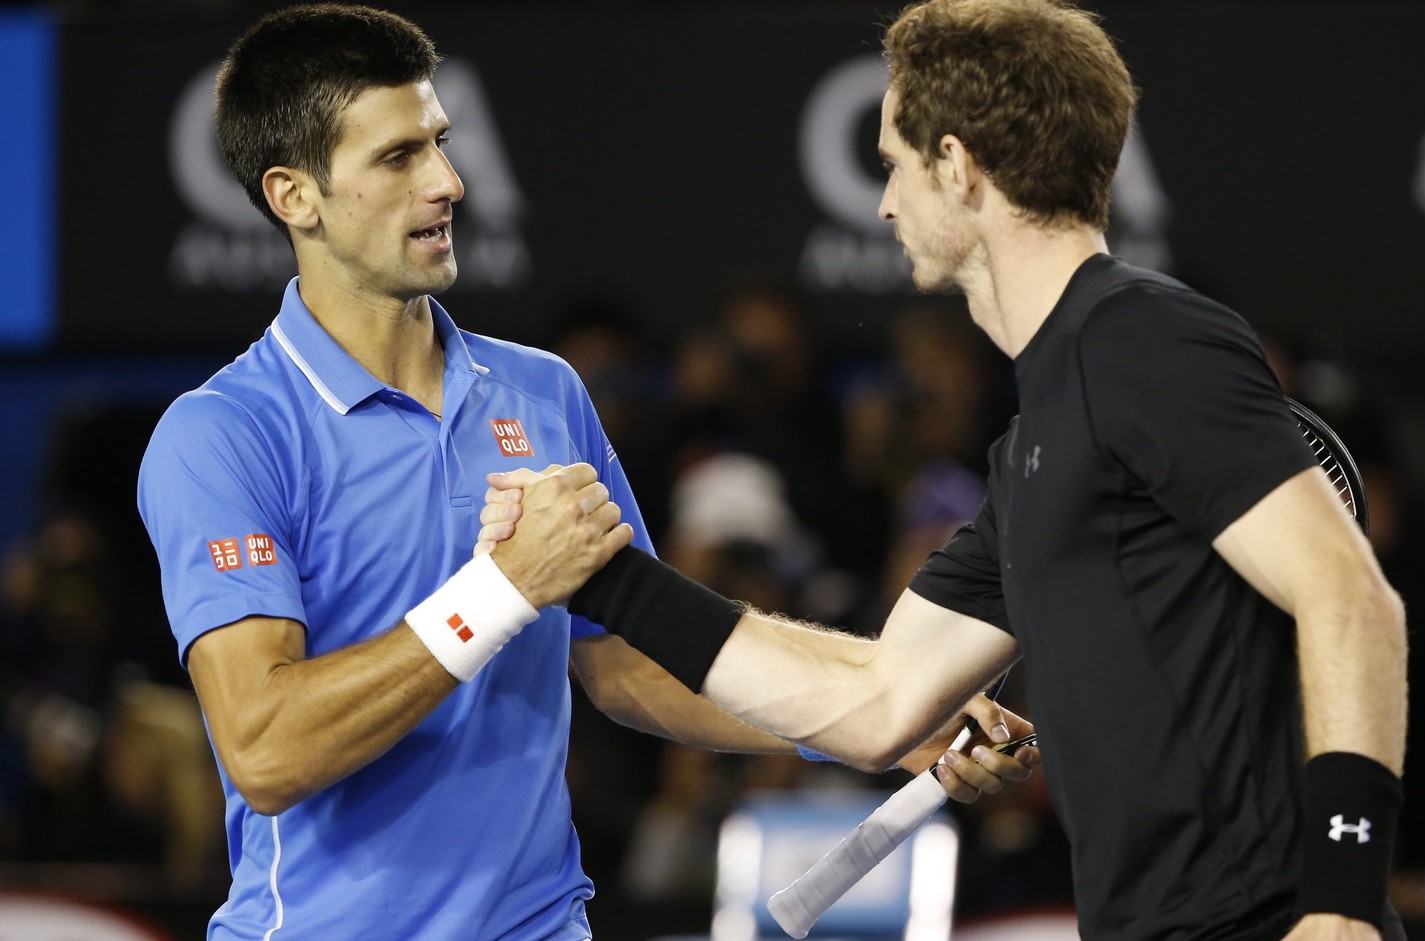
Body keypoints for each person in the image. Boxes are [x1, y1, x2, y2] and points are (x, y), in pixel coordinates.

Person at [485, 2, 1409, 940]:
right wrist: (604, 577)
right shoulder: (1036, 441)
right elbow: (876, 701)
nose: (884, 203)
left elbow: (1350, 597)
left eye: (893, 164)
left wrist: (1339, 901)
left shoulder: (1144, 337)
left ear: (958, 167)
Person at [136, 6, 1026, 940]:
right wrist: (502, 590)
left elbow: (632, 660)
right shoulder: (222, 436)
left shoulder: (541, 391)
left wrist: (880, 714)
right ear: (295, 196)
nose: (449, 181)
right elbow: (267, 748)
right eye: (398, 158)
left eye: (440, 142)